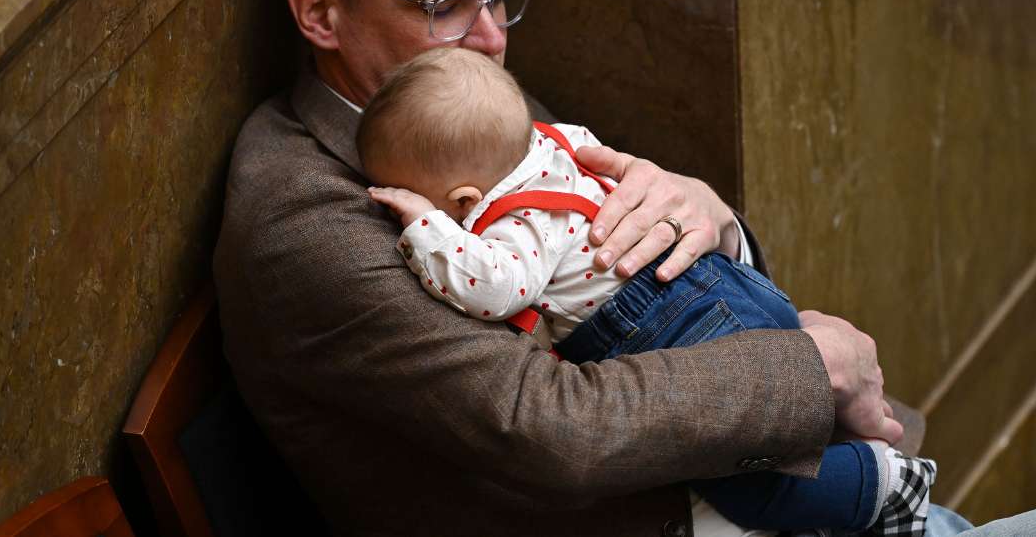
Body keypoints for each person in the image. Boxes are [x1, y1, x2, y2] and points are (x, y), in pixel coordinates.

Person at [213, 0, 1036, 535]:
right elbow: (554, 430)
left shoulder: (438, 85)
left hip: (757, 489)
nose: (494, 38)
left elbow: (604, 258)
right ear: (318, 11)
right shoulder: (309, 220)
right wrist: (810, 367)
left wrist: (705, 216)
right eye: (445, 6)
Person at [359, 46, 939, 536]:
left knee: (749, 486)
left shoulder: (518, 221)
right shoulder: (550, 142)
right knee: (796, 426)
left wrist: (423, 225)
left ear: (462, 200)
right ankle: (862, 440)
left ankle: (883, 486)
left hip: (664, 325)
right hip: (723, 287)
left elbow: (496, 289)